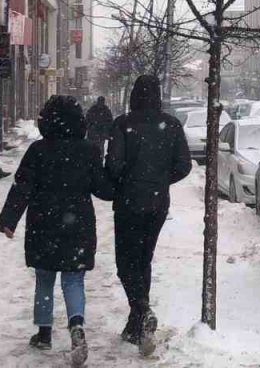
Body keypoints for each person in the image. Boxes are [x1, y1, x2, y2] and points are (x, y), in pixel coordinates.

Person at [0, 95, 113, 366]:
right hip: (79, 225)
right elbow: (103, 189)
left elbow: (22, 187)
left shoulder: (38, 151)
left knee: (45, 279)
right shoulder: (89, 151)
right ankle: (76, 327)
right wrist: (122, 184)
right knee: (74, 280)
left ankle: (44, 333)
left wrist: (8, 220)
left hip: (43, 225)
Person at [105, 74, 192, 355]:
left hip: (129, 201)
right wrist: (160, 181)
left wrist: (123, 181)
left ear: (133, 95)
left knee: (125, 262)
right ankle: (136, 324)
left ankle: (142, 310)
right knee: (143, 259)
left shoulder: (123, 124)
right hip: (157, 203)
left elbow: (114, 166)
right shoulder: (172, 125)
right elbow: (184, 165)